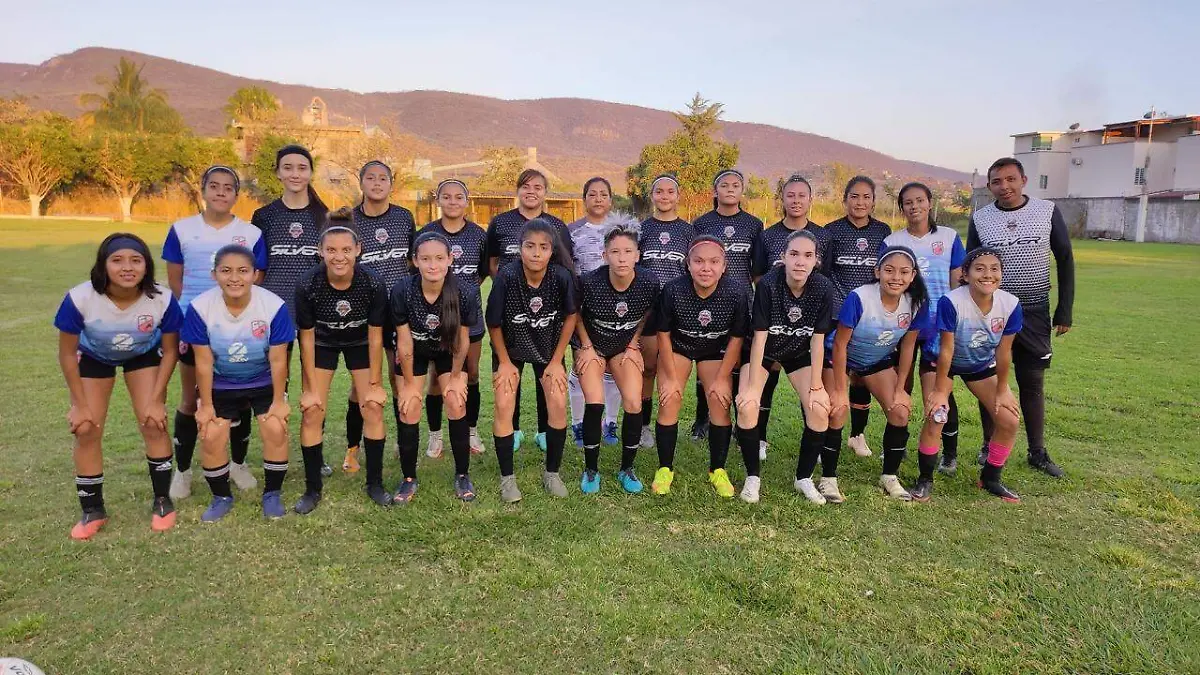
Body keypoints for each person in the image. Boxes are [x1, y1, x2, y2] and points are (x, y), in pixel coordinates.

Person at [55, 234, 183, 539]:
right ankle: (92, 510)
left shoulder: (161, 299)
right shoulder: (80, 298)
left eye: (136, 260)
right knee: (86, 428)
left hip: (144, 355)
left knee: (153, 423)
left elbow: (172, 350)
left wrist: (156, 399)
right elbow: (66, 353)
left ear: (147, 266)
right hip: (94, 357)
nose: (127, 267)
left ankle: (163, 501)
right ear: (103, 265)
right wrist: (78, 403)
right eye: (117, 260)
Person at [163, 165, 266, 500]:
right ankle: (182, 471)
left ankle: (237, 464)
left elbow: (256, 279)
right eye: (214, 187)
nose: (221, 193)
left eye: (228, 188)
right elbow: (177, 281)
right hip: (195, 325)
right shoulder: (181, 230)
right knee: (191, 397)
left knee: (240, 393)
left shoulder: (250, 234)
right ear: (203, 190)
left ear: (237, 194)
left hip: (238, 326)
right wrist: (191, 315)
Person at [968, 157, 1075, 478]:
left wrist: (1064, 308)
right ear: (989, 187)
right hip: (990, 313)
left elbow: (1066, 258)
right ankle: (989, 444)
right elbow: (970, 264)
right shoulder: (981, 218)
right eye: (997, 182)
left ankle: (1037, 451)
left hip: (1034, 310)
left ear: (1024, 180)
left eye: (1011, 179)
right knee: (990, 380)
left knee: (1031, 382)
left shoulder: (1046, 211)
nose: (1005, 187)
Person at [180, 245, 295, 522]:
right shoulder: (200, 308)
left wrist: (279, 402)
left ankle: (272, 494)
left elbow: (279, 360)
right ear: (214, 274)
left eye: (243, 271)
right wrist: (205, 405)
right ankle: (221, 497)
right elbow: (203, 362)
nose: (235, 278)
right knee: (211, 434)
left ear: (255, 274)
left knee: (275, 427)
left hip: (263, 378)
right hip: (221, 381)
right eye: (226, 271)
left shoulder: (273, 305)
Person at [293, 214, 390, 514]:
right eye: (332, 250)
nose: (339, 256)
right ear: (320, 251)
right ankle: (312, 489)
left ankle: (374, 483)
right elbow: (306, 339)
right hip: (322, 341)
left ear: (358, 249)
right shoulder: (308, 283)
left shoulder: (372, 283)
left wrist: (374, 384)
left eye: (346, 250)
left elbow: (376, 337)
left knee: (372, 407)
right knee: (312, 411)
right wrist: (309, 388)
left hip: (360, 341)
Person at [736, 231, 834, 504]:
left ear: (816, 260)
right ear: (783, 257)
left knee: (819, 408)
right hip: (764, 351)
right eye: (794, 254)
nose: (800, 261)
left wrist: (816, 386)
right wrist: (753, 386)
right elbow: (760, 337)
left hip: (798, 352)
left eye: (807, 255)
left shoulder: (823, 288)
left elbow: (817, 341)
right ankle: (752, 477)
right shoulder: (768, 284)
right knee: (747, 404)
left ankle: (803, 478)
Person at [919, 247, 1024, 502]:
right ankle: (924, 480)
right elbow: (947, 349)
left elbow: (1004, 351)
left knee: (1009, 420)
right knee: (937, 416)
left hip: (979, 365)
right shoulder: (952, 301)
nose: (988, 274)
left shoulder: (1010, 304)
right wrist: (941, 390)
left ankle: (990, 478)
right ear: (964, 275)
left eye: (994, 269)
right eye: (979, 269)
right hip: (940, 362)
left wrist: (1002, 389)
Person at [828, 246, 931, 501]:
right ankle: (828, 478)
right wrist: (840, 388)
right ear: (877, 272)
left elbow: (908, 347)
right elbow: (840, 344)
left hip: (875, 359)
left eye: (904, 272)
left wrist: (900, 390)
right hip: (838, 358)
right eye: (889, 270)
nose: (896, 277)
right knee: (837, 409)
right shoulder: (860, 297)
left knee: (899, 410)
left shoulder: (916, 302)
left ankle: (889, 476)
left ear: (913, 275)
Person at [651, 236, 750, 499]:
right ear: (688, 264)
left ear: (724, 265)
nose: (706, 268)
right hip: (679, 347)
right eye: (699, 261)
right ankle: (665, 468)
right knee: (669, 398)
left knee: (719, 400)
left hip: (714, 350)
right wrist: (671, 378)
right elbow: (663, 333)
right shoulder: (673, 290)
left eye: (714, 262)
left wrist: (721, 378)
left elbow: (737, 339)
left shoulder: (736, 292)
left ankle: (717, 469)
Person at [486, 219, 578, 502]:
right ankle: (507, 479)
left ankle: (552, 473)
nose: (536, 253)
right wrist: (504, 362)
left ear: (552, 251)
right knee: (503, 403)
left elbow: (572, 315)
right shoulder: (507, 276)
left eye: (543, 247)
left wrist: (556, 360)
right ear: (519, 248)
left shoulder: (561, 277)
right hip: (510, 349)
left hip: (547, 350)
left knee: (558, 403)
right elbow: (493, 322)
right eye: (530, 246)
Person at [251, 144, 329, 476]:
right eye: (288, 167)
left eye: (302, 167)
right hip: (274, 313)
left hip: (314, 312)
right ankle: (277, 451)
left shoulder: (324, 215)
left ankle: (316, 452)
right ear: (278, 172)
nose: (295, 173)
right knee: (276, 386)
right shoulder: (264, 216)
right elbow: (257, 269)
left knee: (314, 385)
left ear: (311, 172)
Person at [486, 169, 574, 451]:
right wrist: (505, 290)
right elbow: (491, 260)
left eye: (538, 186)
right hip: (512, 308)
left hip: (546, 311)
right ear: (518, 190)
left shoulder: (557, 226)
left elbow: (565, 264)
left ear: (545, 192)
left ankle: (544, 430)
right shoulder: (500, 222)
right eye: (526, 186)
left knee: (545, 370)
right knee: (510, 372)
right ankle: (511, 430)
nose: (531, 191)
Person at [885, 182, 966, 475]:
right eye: (908, 202)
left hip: (938, 327)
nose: (914, 206)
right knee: (900, 385)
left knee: (939, 390)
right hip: (904, 325)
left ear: (930, 203)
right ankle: (899, 442)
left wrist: (956, 321)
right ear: (902, 207)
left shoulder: (949, 237)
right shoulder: (893, 240)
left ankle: (949, 452)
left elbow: (958, 282)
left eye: (919, 200)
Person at [393, 231, 480, 502]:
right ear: (415, 261)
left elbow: (461, 341)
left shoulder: (464, 292)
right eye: (426, 259)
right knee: (409, 407)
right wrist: (408, 384)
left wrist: (455, 377)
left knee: (455, 401)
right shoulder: (402, 290)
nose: (433, 265)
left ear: (450, 259)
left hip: (447, 352)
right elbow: (404, 342)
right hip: (414, 352)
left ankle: (462, 475)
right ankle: (408, 478)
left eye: (440, 258)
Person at [573, 226, 660, 494]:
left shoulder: (648, 282)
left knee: (634, 402)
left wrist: (634, 342)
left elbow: (648, 311)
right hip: (592, 346)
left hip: (623, 346)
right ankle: (591, 470)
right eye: (615, 252)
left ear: (637, 255)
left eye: (628, 252)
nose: (622, 258)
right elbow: (574, 314)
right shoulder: (589, 282)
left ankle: (627, 469)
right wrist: (586, 346)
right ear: (604, 255)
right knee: (595, 402)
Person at [750, 174, 831, 462]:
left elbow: (823, 279)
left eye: (801, 195)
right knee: (765, 383)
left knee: (808, 382)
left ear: (810, 199)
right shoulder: (768, 234)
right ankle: (758, 438)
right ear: (782, 199)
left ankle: (813, 436)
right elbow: (759, 275)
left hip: (805, 321)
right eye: (790, 195)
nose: (796, 200)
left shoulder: (822, 235)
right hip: (772, 320)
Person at [345, 160, 415, 472]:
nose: (376, 183)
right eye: (370, 178)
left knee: (399, 380)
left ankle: (402, 441)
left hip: (399, 312)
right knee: (360, 384)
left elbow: (414, 263)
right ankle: (352, 448)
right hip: (363, 312)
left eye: (383, 178)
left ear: (391, 183)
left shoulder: (404, 217)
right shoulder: (350, 219)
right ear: (361, 182)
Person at [690, 168, 764, 441]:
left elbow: (756, 268)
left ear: (742, 191)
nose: (730, 189)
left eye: (736, 185)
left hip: (741, 299)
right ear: (715, 191)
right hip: (708, 298)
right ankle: (702, 419)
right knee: (706, 356)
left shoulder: (754, 224)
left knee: (736, 360)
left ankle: (734, 421)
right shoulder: (702, 223)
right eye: (724, 185)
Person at [821, 175, 892, 459]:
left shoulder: (882, 231)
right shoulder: (831, 231)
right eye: (854, 196)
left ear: (874, 201)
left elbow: (886, 273)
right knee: (833, 379)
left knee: (861, 378)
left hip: (870, 317)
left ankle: (857, 435)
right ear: (845, 200)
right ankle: (824, 436)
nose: (860, 202)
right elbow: (824, 274)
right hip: (838, 314)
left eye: (866, 197)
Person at [421, 179, 489, 458]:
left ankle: (471, 430)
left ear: (466, 200)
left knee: (470, 374)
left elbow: (483, 271)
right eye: (446, 196)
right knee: (437, 377)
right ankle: (435, 435)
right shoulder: (426, 233)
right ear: (438, 200)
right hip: (436, 317)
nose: (452, 201)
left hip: (469, 315)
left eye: (458, 196)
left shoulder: (478, 234)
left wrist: (465, 294)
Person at [566, 176, 628, 448]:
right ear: (584, 199)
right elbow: (568, 268)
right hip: (583, 309)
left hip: (615, 308)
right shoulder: (572, 231)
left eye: (604, 194)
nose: (598, 198)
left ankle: (610, 422)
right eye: (593, 194)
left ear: (611, 200)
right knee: (582, 366)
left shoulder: (621, 230)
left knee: (612, 371)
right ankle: (579, 424)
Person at [636, 174, 695, 450]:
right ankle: (644, 426)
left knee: (670, 371)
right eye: (659, 191)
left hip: (678, 309)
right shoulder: (642, 228)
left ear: (677, 196)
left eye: (670, 191)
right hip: (648, 307)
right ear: (652, 196)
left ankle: (668, 421)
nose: (664, 196)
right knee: (648, 368)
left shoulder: (687, 231)